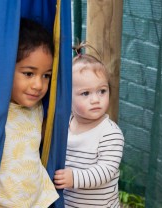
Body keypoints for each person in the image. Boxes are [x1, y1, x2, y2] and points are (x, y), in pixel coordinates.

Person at [0, 18, 59, 207]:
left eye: (46, 76)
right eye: (29, 73)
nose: (38, 85)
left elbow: (42, 135)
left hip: (37, 201)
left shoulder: (37, 109)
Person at [54, 43, 124, 207]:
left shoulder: (110, 133)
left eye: (102, 91)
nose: (95, 99)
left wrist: (74, 178)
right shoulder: (64, 126)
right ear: (67, 96)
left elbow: (106, 171)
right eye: (85, 93)